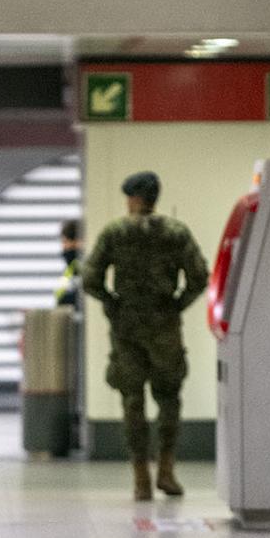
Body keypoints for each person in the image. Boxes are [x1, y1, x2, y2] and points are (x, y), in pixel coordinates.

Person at [79, 171, 208, 500]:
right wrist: (176, 305)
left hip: (127, 327)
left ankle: (140, 478)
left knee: (132, 400)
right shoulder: (176, 232)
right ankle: (166, 470)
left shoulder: (115, 232)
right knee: (169, 398)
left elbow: (90, 279)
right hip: (165, 326)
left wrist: (112, 303)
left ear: (134, 198)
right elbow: (199, 277)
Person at [54, 218, 83, 309]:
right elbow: (59, 295)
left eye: (65, 242)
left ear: (77, 242)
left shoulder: (81, 264)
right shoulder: (71, 267)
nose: (63, 247)